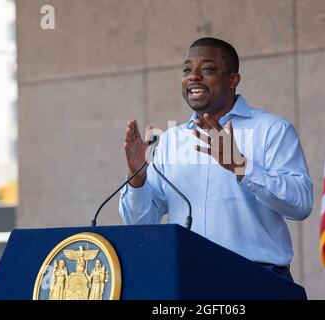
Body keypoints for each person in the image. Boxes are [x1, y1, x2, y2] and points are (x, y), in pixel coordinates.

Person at [119, 37, 313, 282]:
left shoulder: (271, 130)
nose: (194, 76)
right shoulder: (169, 140)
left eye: (208, 69)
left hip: (257, 281)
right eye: (187, 69)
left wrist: (240, 166)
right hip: (188, 281)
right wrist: (138, 177)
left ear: (233, 79)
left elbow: (301, 204)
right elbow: (142, 224)